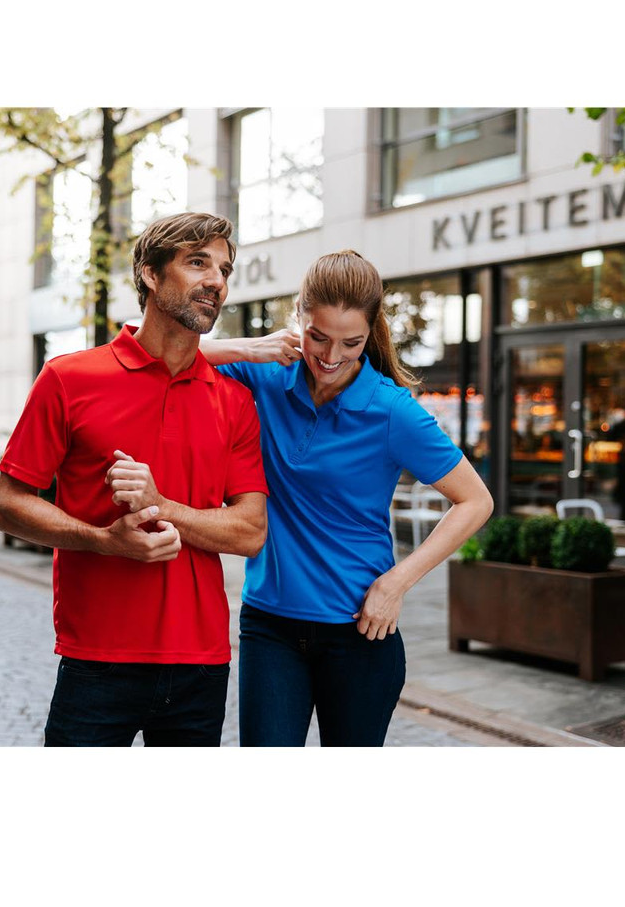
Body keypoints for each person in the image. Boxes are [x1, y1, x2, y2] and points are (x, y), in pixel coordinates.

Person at [0, 212, 268, 747]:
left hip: (200, 662)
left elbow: (250, 531)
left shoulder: (233, 401)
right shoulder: (69, 379)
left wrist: (162, 505)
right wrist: (103, 541)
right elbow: (8, 504)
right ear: (149, 273)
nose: (217, 280)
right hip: (96, 660)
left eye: (224, 269)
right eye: (197, 263)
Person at [200, 250, 493, 746]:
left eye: (351, 342)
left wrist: (396, 583)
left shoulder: (392, 411)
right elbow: (165, 352)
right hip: (269, 625)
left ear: (370, 332)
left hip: (359, 633)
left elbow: (476, 501)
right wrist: (251, 347)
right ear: (298, 316)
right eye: (318, 336)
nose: (331, 356)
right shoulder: (268, 377)